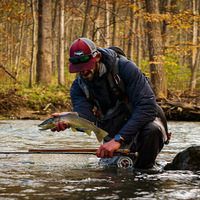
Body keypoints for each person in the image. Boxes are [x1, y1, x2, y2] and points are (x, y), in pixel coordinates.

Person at [51, 38, 169, 169]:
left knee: (152, 131)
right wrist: (70, 119)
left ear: (98, 57)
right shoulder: (78, 87)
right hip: (113, 134)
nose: (83, 72)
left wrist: (119, 139)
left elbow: (147, 107)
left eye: (86, 66)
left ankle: (146, 174)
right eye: (79, 69)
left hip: (143, 128)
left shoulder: (125, 68)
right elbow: (87, 118)